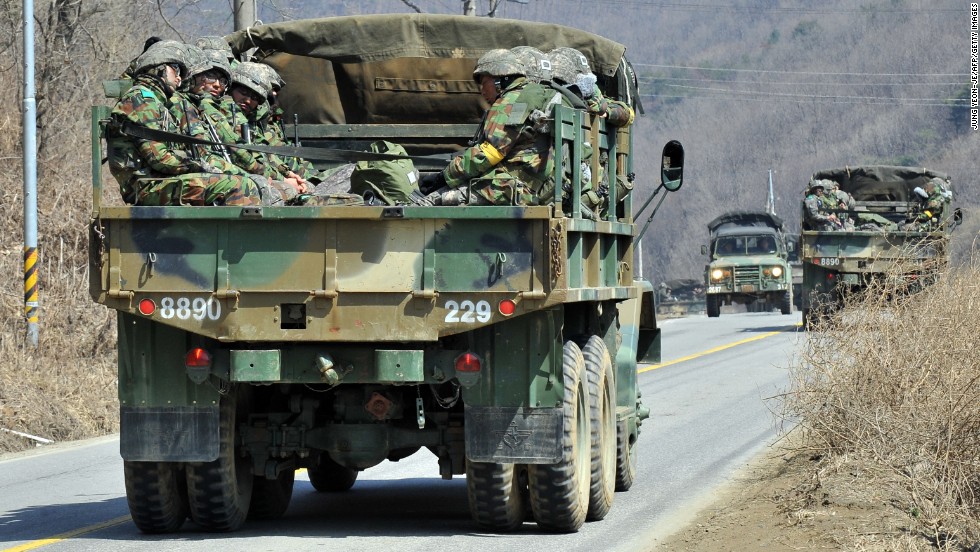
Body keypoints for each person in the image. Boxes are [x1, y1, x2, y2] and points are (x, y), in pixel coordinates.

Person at [106, 40, 260, 206]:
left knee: (240, 182)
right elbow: (161, 159)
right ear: (159, 68)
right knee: (239, 185)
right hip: (145, 186)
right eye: (177, 70)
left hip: (159, 180)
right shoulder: (140, 99)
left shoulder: (158, 103)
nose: (180, 78)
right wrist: (199, 166)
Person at [419, 49, 564, 206]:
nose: (481, 90)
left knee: (429, 203)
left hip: (505, 189)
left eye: (484, 82)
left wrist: (444, 176)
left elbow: (488, 153)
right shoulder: (535, 95)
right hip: (531, 188)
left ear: (499, 80)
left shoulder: (510, 101)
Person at [178, 47, 306, 205]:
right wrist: (281, 179)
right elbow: (237, 150)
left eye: (255, 97)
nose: (217, 85)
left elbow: (262, 152)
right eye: (211, 76)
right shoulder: (201, 105)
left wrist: (287, 174)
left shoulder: (223, 109)